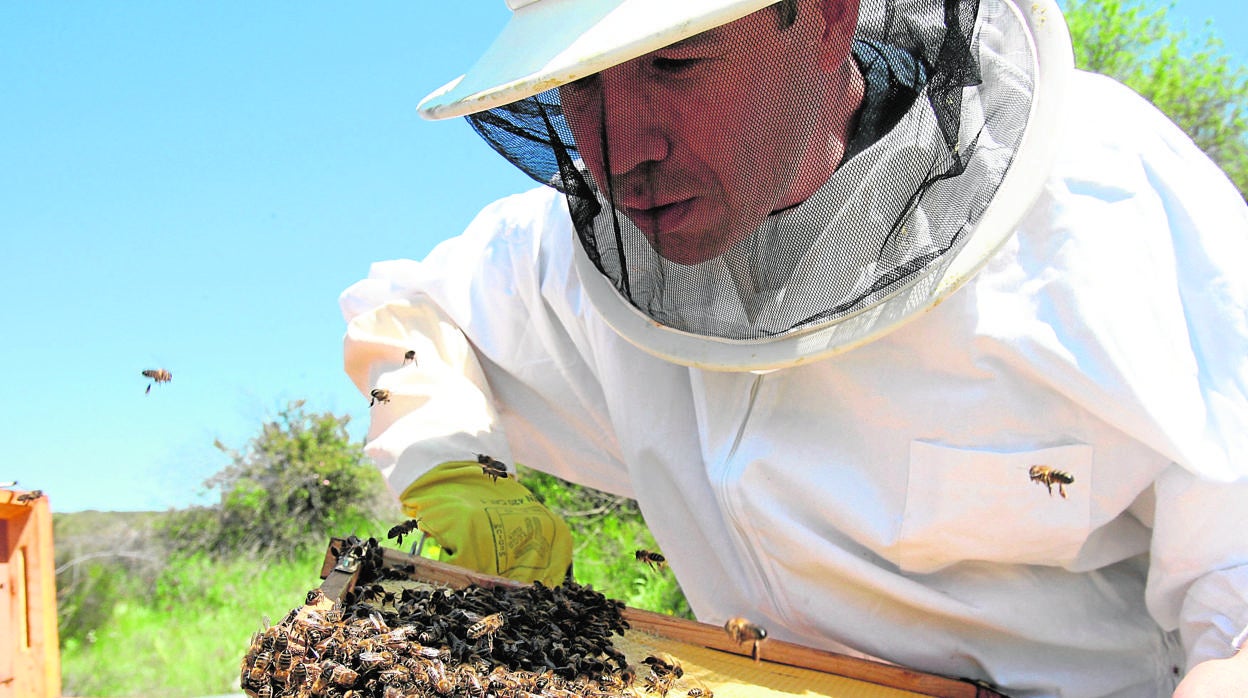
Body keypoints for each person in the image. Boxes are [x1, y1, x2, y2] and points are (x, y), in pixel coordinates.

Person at [339, 0, 1248, 695]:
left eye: (675, 62)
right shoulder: (569, 259)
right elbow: (407, 318)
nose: (623, 150)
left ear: (825, 18)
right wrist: (447, 470)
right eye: (581, 86)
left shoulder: (1101, 204)